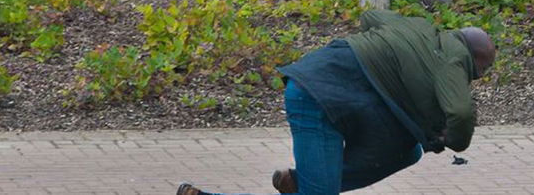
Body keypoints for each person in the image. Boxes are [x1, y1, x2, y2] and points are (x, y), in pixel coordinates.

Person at [177, 10, 497, 195]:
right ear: (472, 61)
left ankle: (303, 181)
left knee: (406, 151)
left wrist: (384, 52)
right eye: (479, 73)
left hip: (331, 89)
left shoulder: (414, 27)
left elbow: (370, 16)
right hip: (319, 99)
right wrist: (452, 140)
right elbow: (459, 111)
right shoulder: (454, 61)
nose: (474, 79)